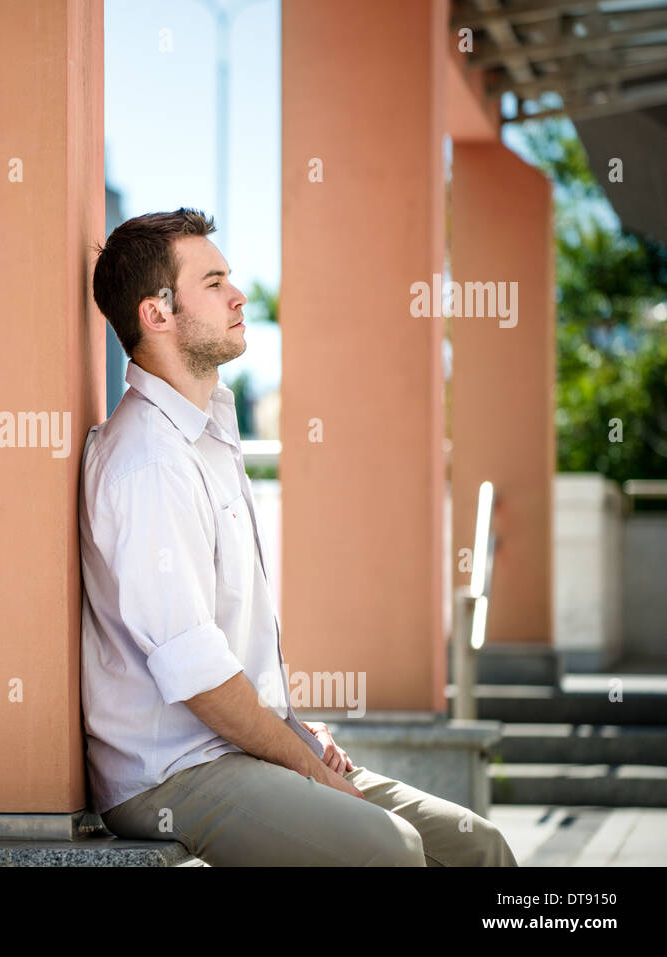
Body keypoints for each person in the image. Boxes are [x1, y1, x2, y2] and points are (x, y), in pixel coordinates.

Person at [79, 209, 516, 866]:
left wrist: (293, 730)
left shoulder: (208, 431)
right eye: (214, 281)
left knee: (476, 847)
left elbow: (230, 658)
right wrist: (312, 770)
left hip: (235, 747)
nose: (239, 294)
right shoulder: (149, 462)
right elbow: (197, 674)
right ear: (158, 314)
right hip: (171, 772)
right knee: (387, 850)